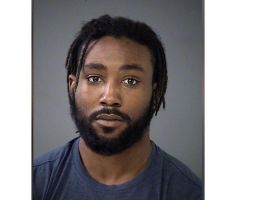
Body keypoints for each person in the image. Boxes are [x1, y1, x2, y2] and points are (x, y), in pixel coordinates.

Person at [33, 15, 202, 200]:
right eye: (94, 78)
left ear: (155, 92)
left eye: (130, 81)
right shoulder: (35, 182)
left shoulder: (190, 192)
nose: (110, 97)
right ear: (72, 86)